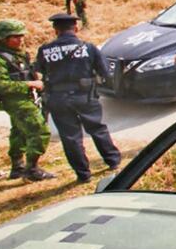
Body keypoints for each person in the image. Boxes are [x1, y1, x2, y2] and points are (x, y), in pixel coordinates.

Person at [34, 13, 121, 184]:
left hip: (58, 99)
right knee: (97, 129)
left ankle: (83, 174)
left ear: (55, 30)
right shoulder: (88, 47)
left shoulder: (44, 50)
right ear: (75, 28)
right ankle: (113, 160)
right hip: (85, 96)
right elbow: (105, 72)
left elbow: (39, 72)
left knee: (70, 137)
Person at [0, 20, 54, 181]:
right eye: (15, 37)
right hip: (13, 100)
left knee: (19, 131)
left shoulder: (15, 53)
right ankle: (32, 170)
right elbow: (0, 86)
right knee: (39, 131)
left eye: (21, 36)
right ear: (3, 38)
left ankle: (17, 167)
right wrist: (29, 84)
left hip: (23, 98)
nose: (20, 40)